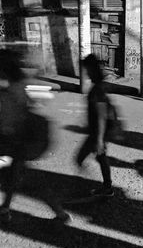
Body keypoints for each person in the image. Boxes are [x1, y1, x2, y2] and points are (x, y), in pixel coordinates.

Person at [0, 49, 71, 224]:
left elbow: (11, 122)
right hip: (21, 142)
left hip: (18, 142)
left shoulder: (12, 91)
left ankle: (60, 213)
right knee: (20, 177)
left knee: (27, 180)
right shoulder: (16, 86)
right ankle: (6, 208)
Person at [76, 54, 114, 197]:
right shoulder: (97, 86)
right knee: (100, 157)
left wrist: (99, 139)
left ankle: (105, 188)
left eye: (86, 69)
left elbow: (102, 116)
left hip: (98, 132)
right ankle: (107, 187)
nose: (85, 72)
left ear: (92, 69)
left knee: (81, 158)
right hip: (96, 131)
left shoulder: (98, 89)